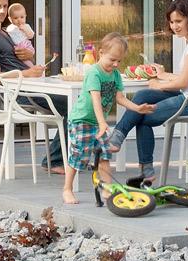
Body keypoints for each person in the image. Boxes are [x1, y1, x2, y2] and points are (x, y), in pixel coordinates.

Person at [102, 0, 188, 185]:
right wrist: (163, 75)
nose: (174, 26)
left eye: (178, 21)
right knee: (142, 97)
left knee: (143, 115)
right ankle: (125, 148)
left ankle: (126, 149)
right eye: (172, 22)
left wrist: (159, 84)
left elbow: (184, 81)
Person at [0, 0, 64, 169]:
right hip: (20, 94)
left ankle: (67, 158)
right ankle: (55, 161)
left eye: (5, 6)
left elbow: (22, 58)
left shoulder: (5, 32)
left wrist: (28, 56)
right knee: (78, 105)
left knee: (80, 100)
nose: (2, 11)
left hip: (33, 86)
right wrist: (26, 74)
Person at [62, 32, 146, 205]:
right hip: (82, 120)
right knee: (79, 155)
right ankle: (67, 189)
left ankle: (108, 190)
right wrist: (102, 123)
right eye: (112, 60)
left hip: (98, 123)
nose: (115, 64)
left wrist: (137, 108)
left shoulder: (115, 74)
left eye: (119, 61)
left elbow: (120, 98)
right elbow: (95, 99)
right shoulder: (94, 73)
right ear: (100, 53)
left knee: (105, 155)